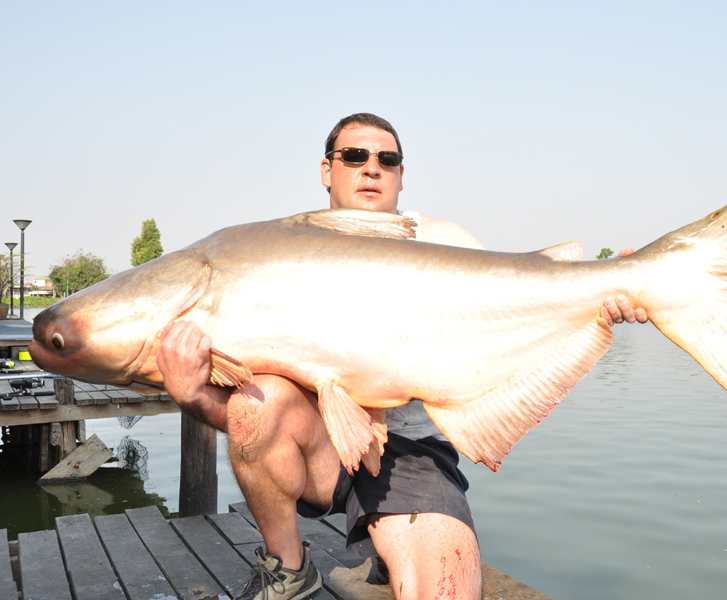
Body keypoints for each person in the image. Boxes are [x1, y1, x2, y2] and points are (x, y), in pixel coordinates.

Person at [157, 113, 647, 600]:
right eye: (354, 156)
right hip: (320, 443)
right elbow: (250, 432)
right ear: (327, 170)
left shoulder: (447, 242)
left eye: (386, 159)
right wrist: (193, 394)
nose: (371, 167)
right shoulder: (274, 253)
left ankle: (390, 555)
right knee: (252, 405)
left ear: (400, 175)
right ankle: (289, 569)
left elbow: (525, 299)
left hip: (411, 451)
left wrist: (603, 292)